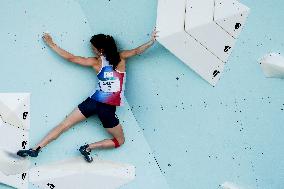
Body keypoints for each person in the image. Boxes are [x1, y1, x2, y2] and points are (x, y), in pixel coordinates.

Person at [17, 28, 159, 162]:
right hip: (107, 109)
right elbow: (137, 51)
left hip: (93, 101)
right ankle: (87, 148)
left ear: (101, 50)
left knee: (64, 124)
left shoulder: (95, 62)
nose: (92, 50)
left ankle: (36, 148)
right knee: (119, 141)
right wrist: (152, 41)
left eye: (93, 48)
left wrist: (51, 43)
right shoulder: (121, 58)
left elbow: (71, 58)